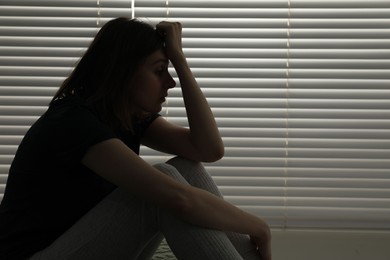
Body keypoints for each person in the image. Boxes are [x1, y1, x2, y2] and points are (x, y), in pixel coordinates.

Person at [0, 17, 272, 260]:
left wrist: (181, 61)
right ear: (123, 72)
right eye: (159, 70)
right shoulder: (73, 121)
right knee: (163, 188)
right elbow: (181, 200)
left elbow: (209, 149)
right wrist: (258, 226)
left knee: (186, 169)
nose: (170, 82)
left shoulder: (126, 116)